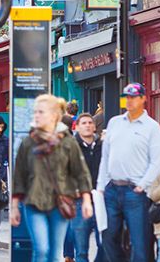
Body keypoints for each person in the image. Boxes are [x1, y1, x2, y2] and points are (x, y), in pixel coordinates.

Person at [11, 94, 94, 262]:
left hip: (60, 202)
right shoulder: (28, 142)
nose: (36, 116)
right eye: (35, 112)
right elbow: (19, 175)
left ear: (54, 115)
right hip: (34, 202)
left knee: (55, 254)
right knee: (41, 250)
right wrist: (14, 207)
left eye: (41, 112)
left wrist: (86, 200)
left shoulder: (68, 142)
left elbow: (80, 171)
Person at [97, 83, 160, 262]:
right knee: (108, 237)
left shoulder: (152, 127)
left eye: (133, 97)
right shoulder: (114, 123)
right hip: (112, 189)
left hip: (135, 191)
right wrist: (101, 186)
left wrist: (143, 185)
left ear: (143, 98)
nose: (129, 101)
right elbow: (105, 157)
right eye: (126, 97)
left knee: (140, 242)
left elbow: (157, 160)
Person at [70, 112, 103, 262]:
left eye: (90, 123)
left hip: (101, 200)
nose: (88, 125)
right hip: (79, 203)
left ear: (94, 126)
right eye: (84, 123)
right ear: (77, 127)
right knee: (81, 250)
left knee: (104, 245)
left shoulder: (102, 146)